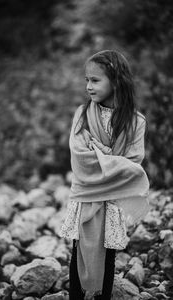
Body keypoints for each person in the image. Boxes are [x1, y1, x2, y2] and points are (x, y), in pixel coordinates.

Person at [60, 50, 150, 300]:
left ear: (116, 80)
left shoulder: (135, 121)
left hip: (113, 200)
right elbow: (80, 158)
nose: (88, 86)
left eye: (95, 80)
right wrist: (112, 159)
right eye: (86, 80)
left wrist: (99, 152)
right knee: (78, 250)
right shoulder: (82, 115)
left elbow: (133, 165)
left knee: (109, 253)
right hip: (86, 196)